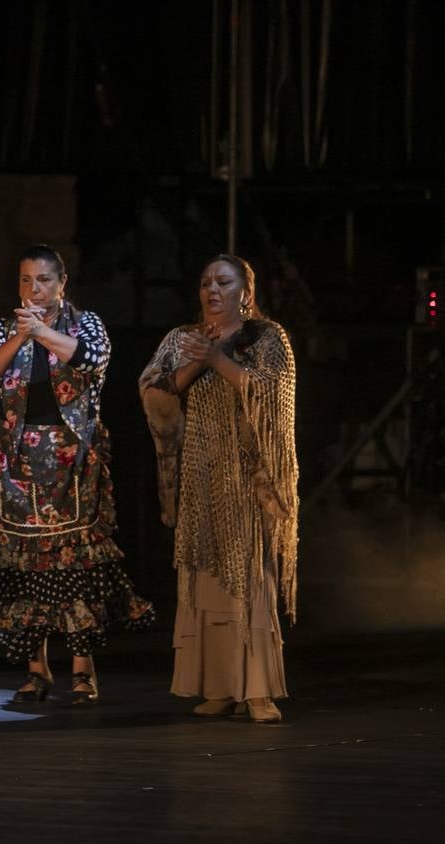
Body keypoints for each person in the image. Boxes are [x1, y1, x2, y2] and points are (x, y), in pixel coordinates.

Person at [0, 244, 153, 705]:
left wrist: (44, 333)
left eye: (44, 280)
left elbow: (89, 359)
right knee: (22, 568)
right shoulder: (4, 327)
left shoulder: (84, 323)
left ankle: (83, 670)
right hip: (14, 466)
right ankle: (36, 670)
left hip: (71, 464)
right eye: (26, 280)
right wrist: (20, 334)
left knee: (74, 567)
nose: (35, 289)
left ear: (62, 284)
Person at [139, 253, 298, 724]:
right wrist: (193, 362)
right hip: (201, 475)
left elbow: (273, 395)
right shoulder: (180, 340)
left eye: (223, 282)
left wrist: (217, 358)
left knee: (249, 579)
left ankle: (257, 691)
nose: (212, 290)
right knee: (205, 579)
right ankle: (219, 687)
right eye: (206, 282)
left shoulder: (266, 338)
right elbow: (155, 395)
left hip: (249, 479)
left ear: (245, 292)